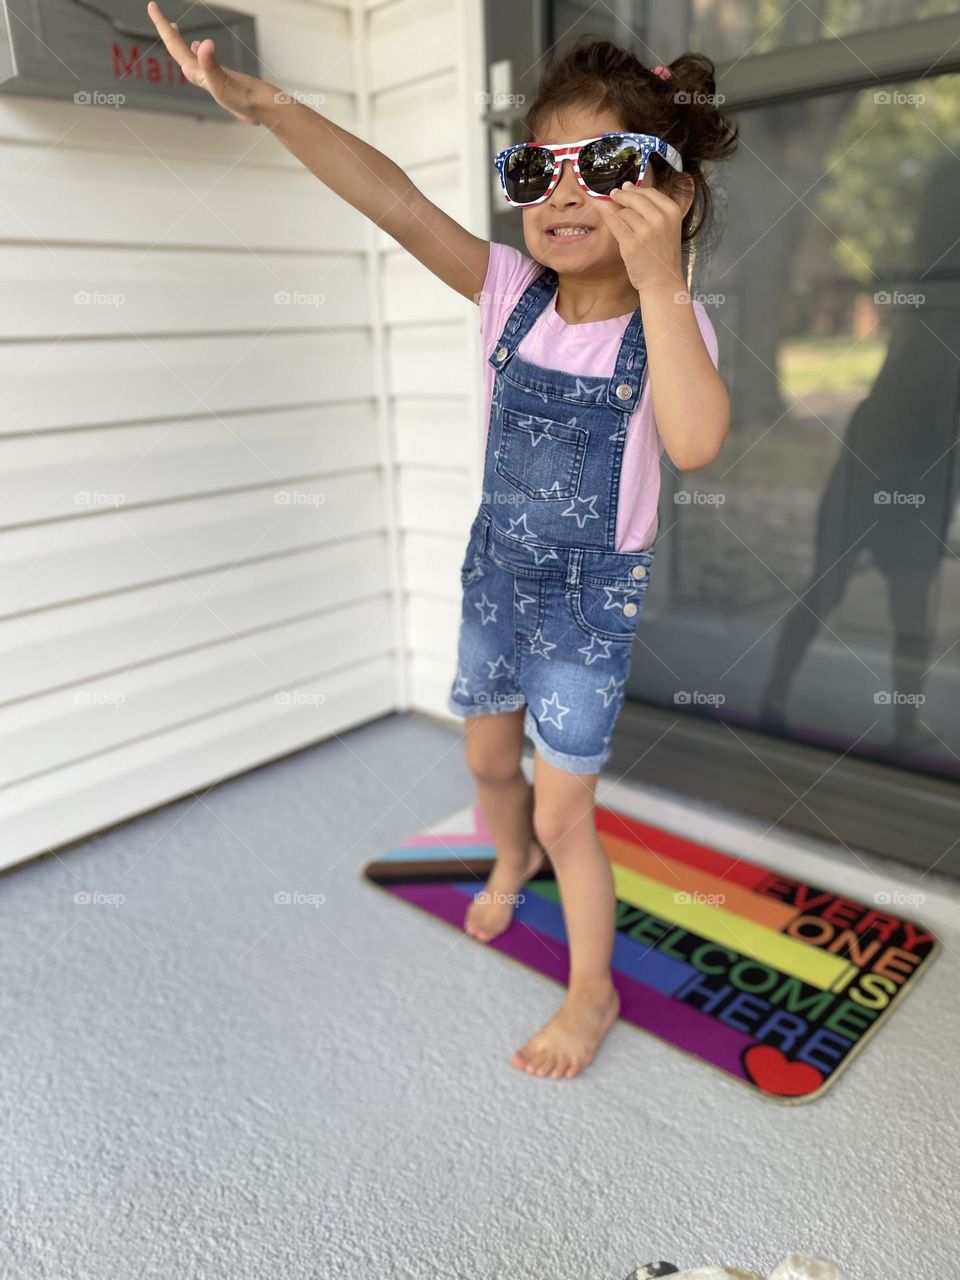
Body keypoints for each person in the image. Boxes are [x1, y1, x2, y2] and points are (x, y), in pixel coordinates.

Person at [145, 6, 737, 1079]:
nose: (562, 193)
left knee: (569, 818)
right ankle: (503, 852)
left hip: (582, 612)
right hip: (496, 578)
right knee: (483, 757)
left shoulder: (669, 323)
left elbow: (694, 442)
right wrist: (273, 107)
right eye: (537, 169)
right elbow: (397, 201)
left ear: (670, 194)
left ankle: (591, 986)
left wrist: (661, 283)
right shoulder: (509, 294)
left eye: (600, 168)